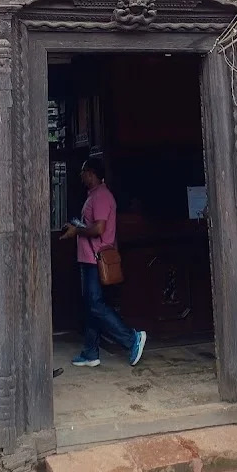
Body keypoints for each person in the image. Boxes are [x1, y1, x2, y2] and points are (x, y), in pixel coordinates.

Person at [60, 156, 146, 368]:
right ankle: (90, 352)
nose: (81, 175)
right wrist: (77, 227)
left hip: (94, 258)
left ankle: (131, 338)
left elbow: (99, 229)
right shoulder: (96, 195)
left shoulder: (100, 197)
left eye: (84, 171)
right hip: (90, 257)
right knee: (91, 306)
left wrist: (76, 231)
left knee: (95, 304)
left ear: (91, 174)